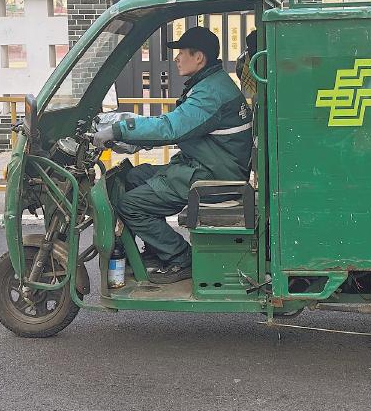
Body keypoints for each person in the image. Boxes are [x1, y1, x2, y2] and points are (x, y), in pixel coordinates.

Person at [91, 27, 253, 284]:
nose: (176, 59)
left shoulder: (210, 93)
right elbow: (177, 125)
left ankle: (180, 256)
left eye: (181, 53)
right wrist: (132, 137)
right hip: (209, 165)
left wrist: (119, 130)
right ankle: (157, 249)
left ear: (198, 57)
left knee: (130, 205)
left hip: (214, 176)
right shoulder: (211, 84)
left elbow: (171, 128)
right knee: (133, 177)